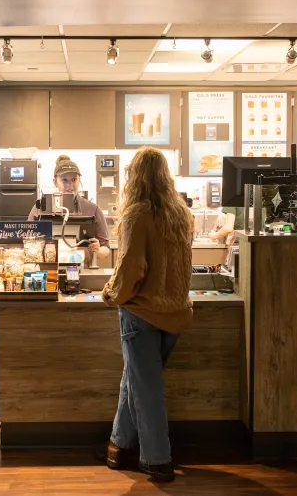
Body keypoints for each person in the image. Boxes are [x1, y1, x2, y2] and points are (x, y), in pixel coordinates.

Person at [100, 147, 194, 482]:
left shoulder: (137, 213)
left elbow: (131, 268)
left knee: (147, 389)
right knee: (138, 382)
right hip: (175, 312)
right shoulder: (180, 213)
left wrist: (111, 295)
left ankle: (157, 460)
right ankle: (118, 445)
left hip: (143, 313)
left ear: (133, 176)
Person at [28, 154, 110, 260]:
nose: (70, 184)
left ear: (79, 180)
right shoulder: (39, 209)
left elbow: (106, 249)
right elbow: (27, 242)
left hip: (82, 271)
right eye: (64, 180)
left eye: (74, 179)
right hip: (50, 271)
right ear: (55, 182)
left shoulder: (93, 210)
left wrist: (97, 249)